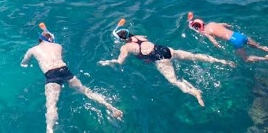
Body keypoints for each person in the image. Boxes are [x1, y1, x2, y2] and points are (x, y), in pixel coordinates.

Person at [99, 24, 234, 107]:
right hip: (166, 49)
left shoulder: (126, 48)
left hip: (160, 59)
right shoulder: (139, 36)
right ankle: (222, 61)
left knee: (174, 81)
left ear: (121, 40)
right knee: (194, 57)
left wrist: (109, 62)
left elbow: (120, 61)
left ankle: (195, 93)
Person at [21, 23, 123, 133]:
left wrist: (26, 65)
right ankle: (111, 107)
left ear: (39, 40)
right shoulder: (58, 46)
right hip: (64, 70)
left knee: (51, 105)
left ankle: (49, 129)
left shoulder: (32, 49)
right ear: (52, 40)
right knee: (85, 91)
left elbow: (24, 63)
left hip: (51, 74)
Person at [187, 12, 268, 64]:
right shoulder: (212, 23)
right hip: (239, 35)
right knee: (259, 47)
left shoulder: (205, 32)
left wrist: (219, 48)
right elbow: (225, 25)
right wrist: (229, 27)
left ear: (198, 28)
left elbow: (214, 42)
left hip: (235, 41)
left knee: (246, 59)